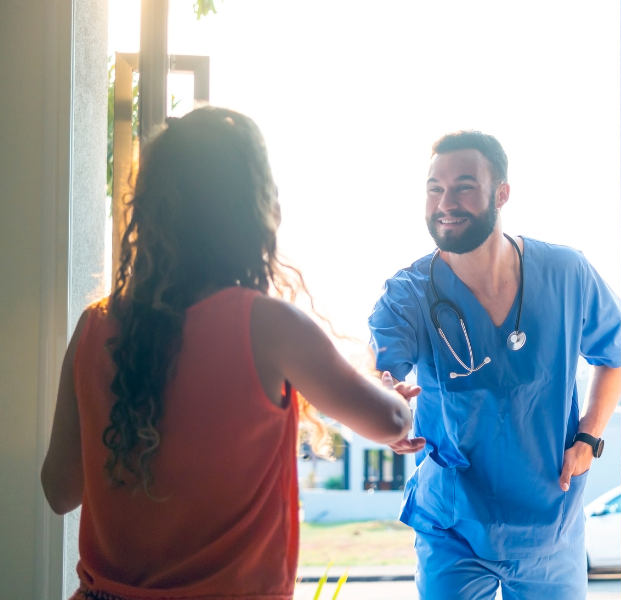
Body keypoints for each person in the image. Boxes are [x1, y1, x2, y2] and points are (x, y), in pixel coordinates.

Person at [40, 107, 416, 600]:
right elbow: (390, 421)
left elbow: (59, 490)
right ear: (257, 211)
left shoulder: (95, 326)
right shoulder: (266, 325)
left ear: (150, 212)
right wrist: (388, 393)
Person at [368, 131, 621, 599]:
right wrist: (387, 405)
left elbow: (616, 355)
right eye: (434, 188)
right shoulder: (408, 292)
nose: (445, 202)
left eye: (463, 186)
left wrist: (589, 437)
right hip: (452, 523)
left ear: (501, 193)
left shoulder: (566, 273)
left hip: (550, 520)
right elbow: (380, 373)